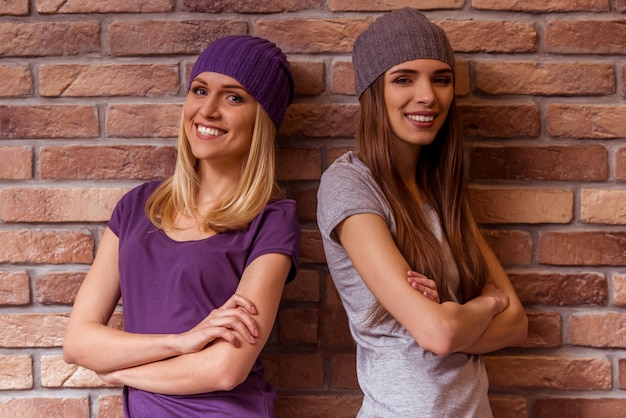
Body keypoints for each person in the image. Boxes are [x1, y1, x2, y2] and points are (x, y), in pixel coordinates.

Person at [63, 35, 299, 417]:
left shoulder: (272, 220)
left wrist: (117, 370)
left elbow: (225, 369)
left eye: (234, 97)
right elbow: (77, 343)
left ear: (263, 118)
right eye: (200, 90)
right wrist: (183, 342)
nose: (208, 110)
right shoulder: (137, 207)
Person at [316, 8, 528, 417]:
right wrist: (484, 305)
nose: (428, 95)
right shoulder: (349, 185)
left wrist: (451, 317)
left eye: (441, 79)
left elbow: (517, 324)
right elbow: (438, 333)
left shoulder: (440, 191)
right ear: (373, 91)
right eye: (404, 79)